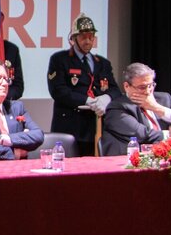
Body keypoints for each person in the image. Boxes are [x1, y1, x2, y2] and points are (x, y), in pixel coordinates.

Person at [47, 14, 120, 156]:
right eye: (83, 37)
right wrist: (86, 100)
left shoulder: (102, 63)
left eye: (91, 37)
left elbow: (115, 89)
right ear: (74, 39)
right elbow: (58, 90)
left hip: (96, 126)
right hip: (70, 126)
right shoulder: (60, 59)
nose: (88, 41)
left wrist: (107, 98)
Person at [100, 62, 171, 155]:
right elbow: (141, 135)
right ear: (127, 86)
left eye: (150, 85)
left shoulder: (163, 99)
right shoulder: (116, 108)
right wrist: (169, 135)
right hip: (132, 161)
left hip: (166, 157)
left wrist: (156, 108)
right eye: (142, 87)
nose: (148, 91)